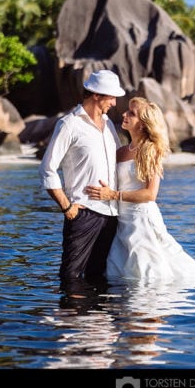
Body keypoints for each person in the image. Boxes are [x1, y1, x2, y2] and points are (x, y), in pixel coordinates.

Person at [85, 97, 195, 282]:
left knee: (149, 273)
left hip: (141, 220)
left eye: (132, 113)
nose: (124, 114)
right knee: (119, 272)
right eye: (127, 111)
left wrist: (113, 195)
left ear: (144, 124)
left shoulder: (150, 150)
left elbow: (150, 194)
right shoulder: (120, 152)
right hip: (121, 221)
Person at [39, 69, 126, 281]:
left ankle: (96, 316)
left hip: (112, 214)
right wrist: (66, 206)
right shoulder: (69, 124)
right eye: (111, 97)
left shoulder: (108, 126)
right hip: (83, 214)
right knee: (72, 276)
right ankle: (72, 314)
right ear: (96, 95)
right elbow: (47, 168)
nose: (114, 103)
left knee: (99, 277)